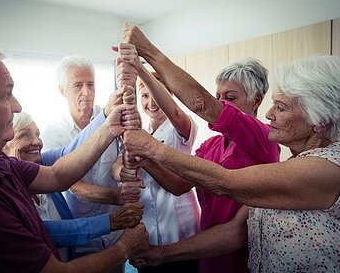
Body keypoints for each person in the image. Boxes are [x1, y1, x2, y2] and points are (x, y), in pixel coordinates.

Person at [123, 54, 340, 272]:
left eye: (280, 107)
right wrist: (161, 254)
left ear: (320, 121)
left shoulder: (329, 168)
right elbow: (234, 232)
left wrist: (152, 148)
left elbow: (223, 181)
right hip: (213, 256)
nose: (270, 114)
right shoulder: (283, 168)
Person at [0, 38, 148, 272]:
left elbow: (56, 175)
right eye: (6, 95)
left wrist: (108, 126)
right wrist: (125, 247)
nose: (17, 105)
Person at [120, 28, 280, 273]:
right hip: (206, 255)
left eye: (230, 97)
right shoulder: (211, 146)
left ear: (257, 100)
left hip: (241, 260)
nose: (222, 103)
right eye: (218, 96)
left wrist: (147, 54)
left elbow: (201, 105)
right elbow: (178, 185)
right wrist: (146, 160)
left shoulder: (264, 138)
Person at [3, 111, 144, 262]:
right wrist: (112, 222)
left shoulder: (41, 164)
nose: (37, 141)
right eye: (25, 135)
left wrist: (106, 119)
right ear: (2, 146)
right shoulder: (5, 189)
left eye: (37, 134)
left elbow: (71, 150)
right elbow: (46, 232)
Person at [113, 43, 201, 273]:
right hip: (151, 229)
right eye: (144, 95)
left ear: (168, 97)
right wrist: (122, 170)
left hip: (180, 229)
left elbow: (174, 112)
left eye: (156, 97)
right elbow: (119, 163)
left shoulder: (181, 128)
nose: (151, 103)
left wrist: (140, 68)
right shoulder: (139, 132)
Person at [41, 55, 130, 272]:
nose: (86, 92)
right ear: (62, 90)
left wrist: (122, 172)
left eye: (90, 84)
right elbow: (71, 183)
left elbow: (121, 157)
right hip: (81, 236)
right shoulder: (54, 132)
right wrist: (115, 196)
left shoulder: (113, 115)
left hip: (115, 233)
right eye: (78, 85)